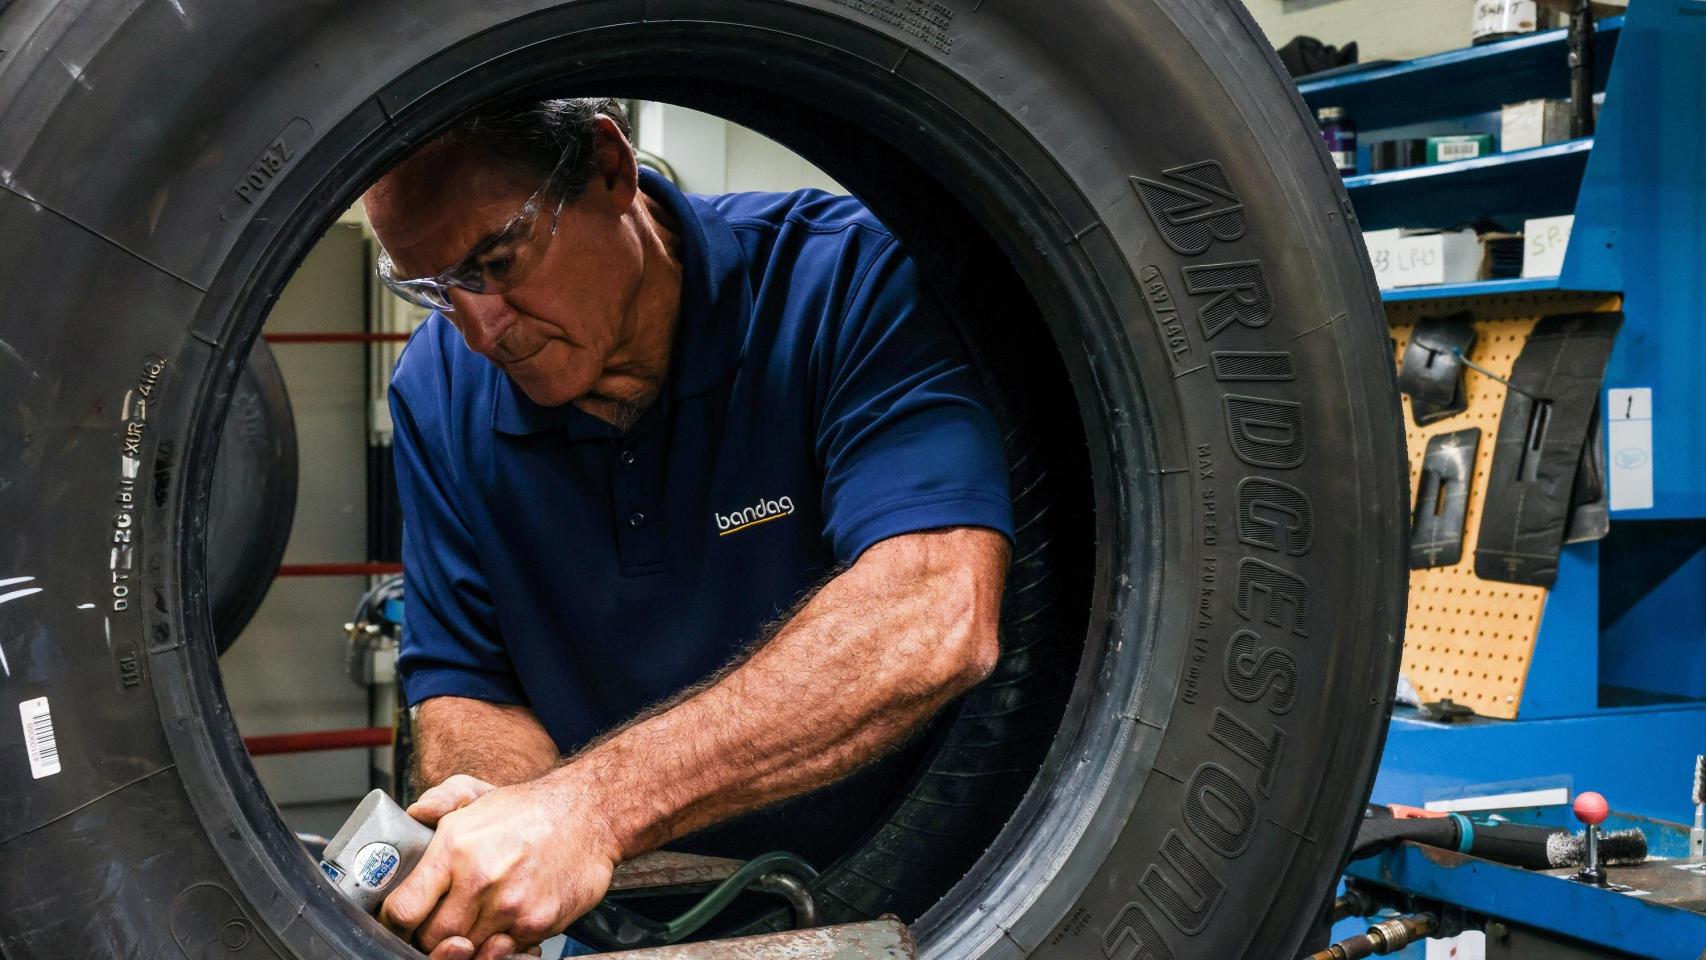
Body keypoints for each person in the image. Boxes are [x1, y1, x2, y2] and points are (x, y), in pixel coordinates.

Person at [363, 97, 1013, 960]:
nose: (479, 329)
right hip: (619, 930)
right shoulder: (436, 388)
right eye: (434, 290)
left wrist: (590, 810)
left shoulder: (845, 279)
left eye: (494, 261)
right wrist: (504, 840)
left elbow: (932, 613)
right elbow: (466, 682)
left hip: (939, 909)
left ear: (608, 168)